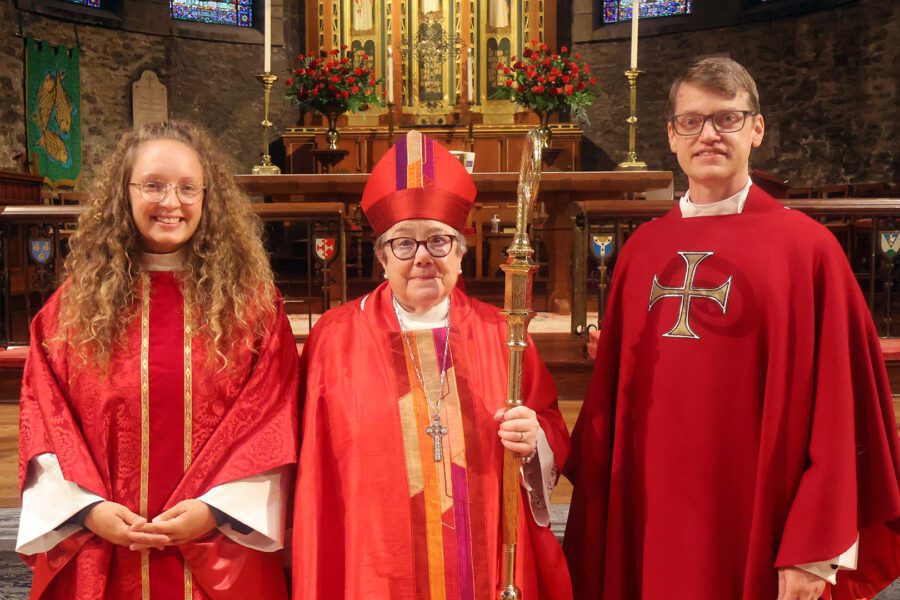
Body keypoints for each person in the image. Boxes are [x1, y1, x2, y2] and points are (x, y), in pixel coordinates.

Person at [564, 57, 900, 600]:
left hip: (762, 526)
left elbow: (843, 407)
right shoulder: (642, 253)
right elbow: (609, 406)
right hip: (652, 521)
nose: (709, 135)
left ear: (757, 129)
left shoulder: (808, 251)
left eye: (727, 119)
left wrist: (815, 545)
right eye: (692, 121)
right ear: (671, 136)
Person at [16, 121, 299, 599]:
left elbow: (273, 420)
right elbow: (46, 422)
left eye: (188, 187)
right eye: (153, 185)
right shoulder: (70, 311)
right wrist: (89, 510)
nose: (171, 202)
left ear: (209, 197)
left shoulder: (253, 309)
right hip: (102, 547)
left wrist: (216, 510)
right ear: (122, 195)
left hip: (219, 544)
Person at [292, 130, 572, 599]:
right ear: (381, 256)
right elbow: (314, 471)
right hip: (375, 563)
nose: (422, 258)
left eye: (439, 242)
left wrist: (534, 440)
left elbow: (550, 427)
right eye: (404, 243)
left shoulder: (503, 334)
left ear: (461, 253)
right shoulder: (334, 338)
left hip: (484, 562)